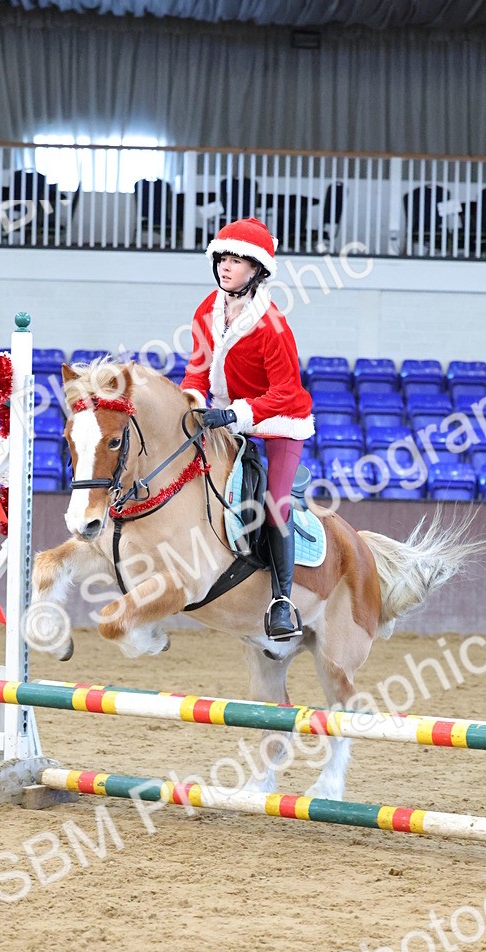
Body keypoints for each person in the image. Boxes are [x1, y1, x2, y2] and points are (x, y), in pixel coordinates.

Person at [180, 216, 314, 641]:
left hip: (279, 422)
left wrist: (235, 415)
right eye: (223, 258)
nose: (226, 266)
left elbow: (285, 391)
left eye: (237, 261)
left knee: (275, 504)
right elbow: (197, 370)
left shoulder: (273, 324)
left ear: (256, 270)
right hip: (227, 417)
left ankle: (282, 601)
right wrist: (191, 401)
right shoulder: (207, 309)